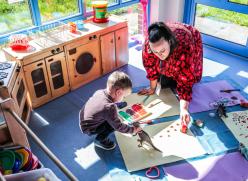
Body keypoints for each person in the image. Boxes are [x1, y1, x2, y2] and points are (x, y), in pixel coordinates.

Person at [138, 22, 203, 126]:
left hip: (189, 36)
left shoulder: (184, 47)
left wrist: (184, 109)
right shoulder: (148, 46)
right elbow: (150, 68)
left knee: (186, 75)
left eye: (162, 50)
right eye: (155, 52)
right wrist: (152, 88)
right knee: (165, 83)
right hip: (171, 37)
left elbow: (185, 81)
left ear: (169, 41)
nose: (159, 55)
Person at [79, 71, 141, 150]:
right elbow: (118, 126)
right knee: (112, 125)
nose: (124, 99)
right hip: (89, 128)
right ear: (118, 92)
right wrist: (132, 130)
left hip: (84, 120)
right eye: (124, 96)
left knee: (111, 114)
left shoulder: (100, 92)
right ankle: (100, 140)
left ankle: (116, 104)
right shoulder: (109, 107)